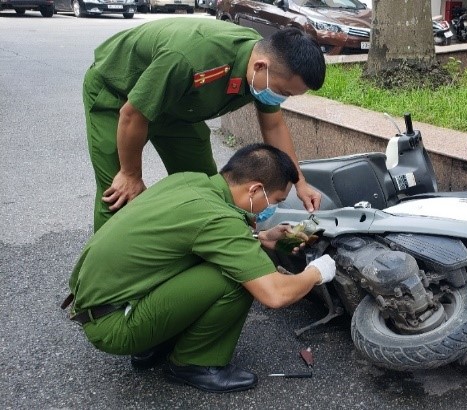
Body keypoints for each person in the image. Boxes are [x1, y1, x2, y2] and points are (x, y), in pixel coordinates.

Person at [64, 143, 336, 393]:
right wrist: (317, 272)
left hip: (98, 303)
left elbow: (189, 236)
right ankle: (194, 363)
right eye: (274, 200)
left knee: (226, 258)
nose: (271, 208)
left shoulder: (188, 181)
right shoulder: (219, 220)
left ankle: (153, 345)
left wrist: (262, 237)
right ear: (254, 189)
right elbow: (275, 294)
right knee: (238, 277)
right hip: (114, 327)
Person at [83, 18, 326, 232]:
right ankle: (101, 281)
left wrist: (300, 183)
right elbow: (132, 114)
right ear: (260, 66)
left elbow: (274, 127)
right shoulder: (192, 58)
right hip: (118, 96)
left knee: (211, 191)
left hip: (177, 110)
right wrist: (130, 173)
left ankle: (202, 250)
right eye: (283, 92)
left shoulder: (265, 68)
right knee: (119, 194)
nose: (282, 99)